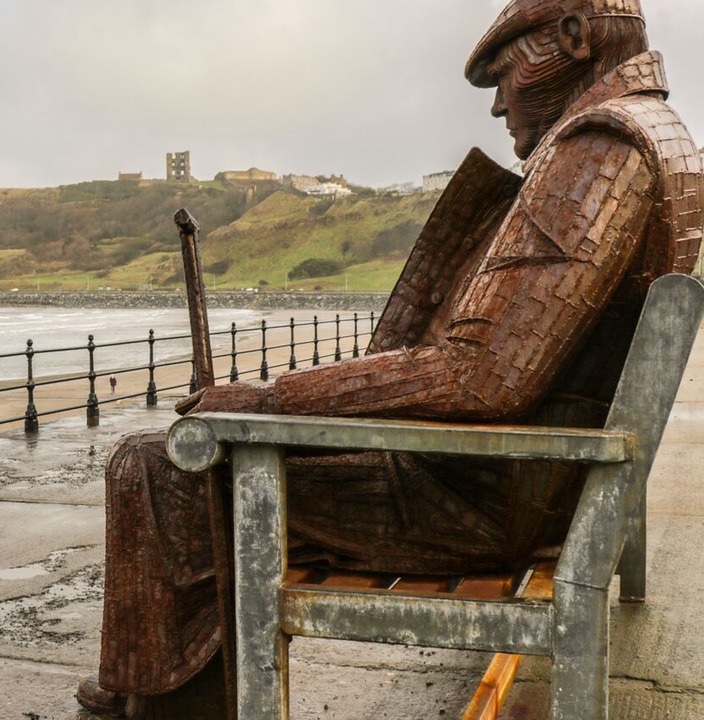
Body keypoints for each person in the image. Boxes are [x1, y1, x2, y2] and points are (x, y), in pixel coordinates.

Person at [77, 1, 704, 717]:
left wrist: (273, 398)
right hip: (538, 481)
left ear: (572, 37)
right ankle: (153, 683)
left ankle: (162, 702)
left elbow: (481, 376)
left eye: (504, 74)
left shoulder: (597, 150)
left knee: (156, 469)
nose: (498, 104)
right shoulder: (655, 131)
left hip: (480, 501)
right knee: (202, 459)